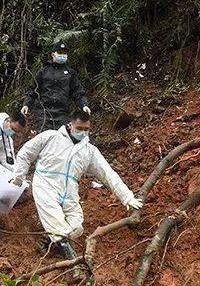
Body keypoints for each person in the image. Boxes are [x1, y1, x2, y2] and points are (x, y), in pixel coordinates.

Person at [12, 109, 142, 259]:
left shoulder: (89, 151)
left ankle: (49, 240)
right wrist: (19, 177)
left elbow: (108, 174)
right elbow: (25, 153)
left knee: (77, 228)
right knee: (58, 226)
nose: (83, 132)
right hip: (45, 185)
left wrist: (127, 197)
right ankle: (75, 266)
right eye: (79, 128)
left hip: (69, 190)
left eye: (86, 129)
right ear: (70, 124)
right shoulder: (50, 137)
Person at [21, 40, 91, 132]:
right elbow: (32, 90)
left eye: (65, 53)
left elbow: (77, 92)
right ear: (53, 54)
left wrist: (84, 105)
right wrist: (26, 104)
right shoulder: (43, 72)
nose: (63, 55)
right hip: (44, 114)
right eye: (60, 53)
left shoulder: (70, 73)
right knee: (44, 140)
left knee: (62, 141)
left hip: (63, 114)